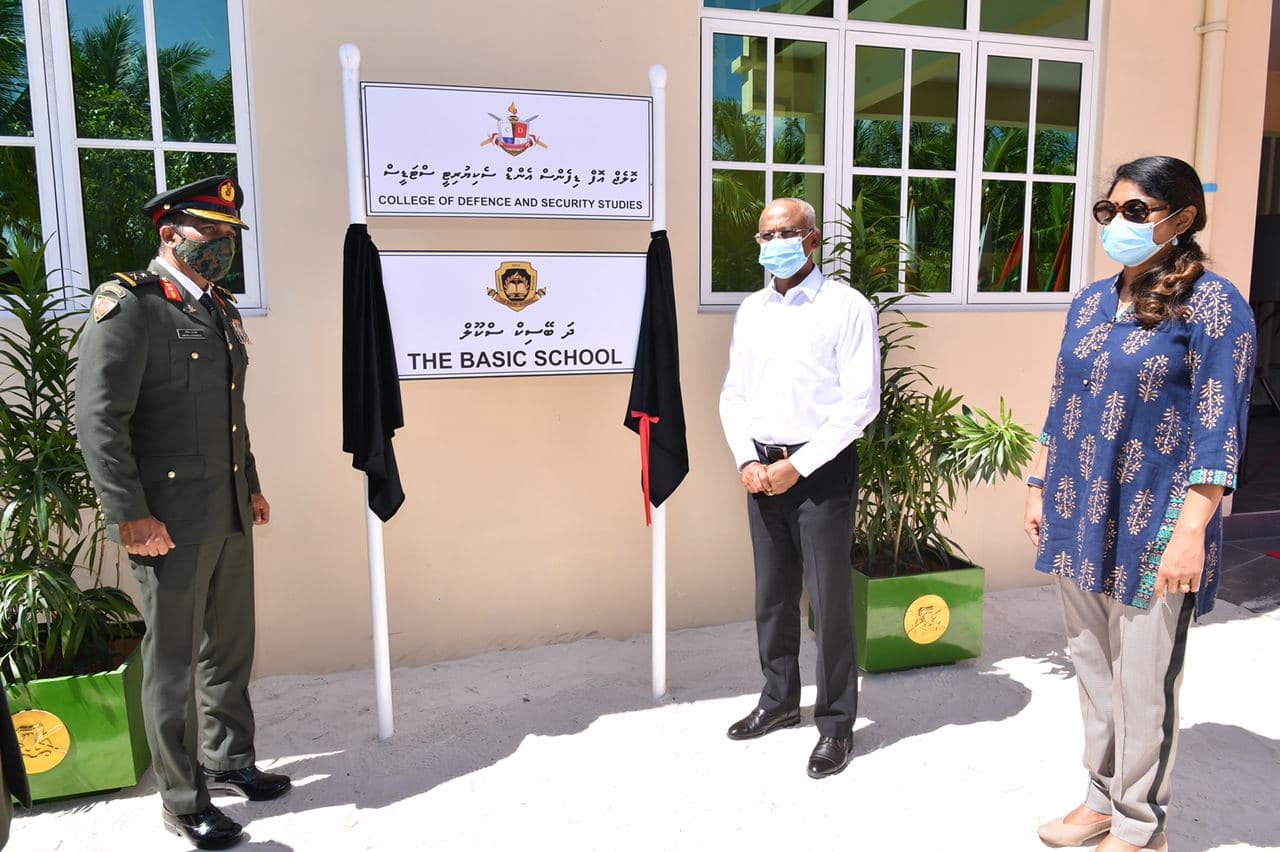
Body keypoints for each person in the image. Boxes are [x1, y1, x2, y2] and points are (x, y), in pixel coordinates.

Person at [1025, 156, 1256, 852]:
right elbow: (1063, 397)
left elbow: (1220, 426)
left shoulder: (1214, 304)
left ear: (1181, 219)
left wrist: (1192, 533)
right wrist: (1039, 483)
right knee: (1092, 666)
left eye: (1135, 211)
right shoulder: (1091, 301)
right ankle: (1100, 798)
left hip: (1157, 522)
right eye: (1110, 210)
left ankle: (1139, 823)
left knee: (1143, 680)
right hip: (1078, 508)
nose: (1117, 223)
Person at [76, 176, 290, 850]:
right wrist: (130, 515)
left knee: (230, 644)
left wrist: (249, 483)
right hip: (165, 521)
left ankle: (229, 759)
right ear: (170, 234)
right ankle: (181, 798)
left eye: (230, 235)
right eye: (212, 232)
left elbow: (229, 413)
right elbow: (100, 420)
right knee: (172, 663)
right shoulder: (131, 306)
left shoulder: (216, 308)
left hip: (225, 507)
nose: (224, 245)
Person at [719, 197, 880, 779]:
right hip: (761, 470)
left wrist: (801, 465)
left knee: (828, 601)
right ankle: (779, 699)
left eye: (783, 233)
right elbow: (734, 394)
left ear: (812, 240)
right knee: (774, 595)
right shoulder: (752, 310)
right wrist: (746, 458)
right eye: (764, 236)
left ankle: (836, 725)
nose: (772, 244)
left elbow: (860, 402)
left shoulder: (846, 307)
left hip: (820, 471)